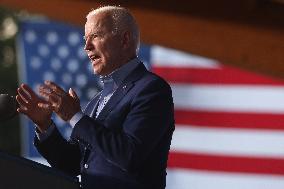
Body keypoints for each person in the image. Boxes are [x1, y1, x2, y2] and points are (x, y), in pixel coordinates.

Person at [16, 6, 175, 189]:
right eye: (86, 39)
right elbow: (73, 164)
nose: (86, 47)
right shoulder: (97, 101)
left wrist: (75, 117)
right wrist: (45, 126)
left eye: (96, 36)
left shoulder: (152, 90)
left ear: (124, 40)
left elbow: (129, 155)